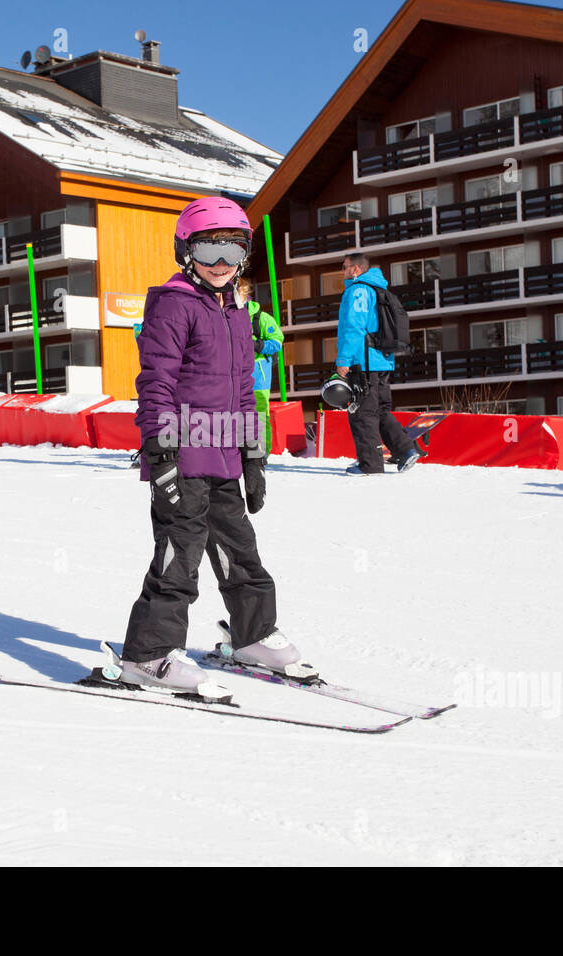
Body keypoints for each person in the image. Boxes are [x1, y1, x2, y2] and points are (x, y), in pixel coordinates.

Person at [121, 197, 314, 697]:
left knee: (239, 548)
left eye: (232, 249)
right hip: (181, 454)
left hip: (225, 452)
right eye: (209, 250)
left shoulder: (237, 312)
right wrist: (160, 453)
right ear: (186, 251)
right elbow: (156, 382)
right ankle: (149, 654)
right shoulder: (173, 302)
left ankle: (251, 636)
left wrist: (254, 453)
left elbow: (245, 390)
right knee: (178, 555)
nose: (221, 263)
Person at [335, 253, 419, 475]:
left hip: (363, 361)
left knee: (362, 412)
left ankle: (370, 465)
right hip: (382, 360)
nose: (341, 271)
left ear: (355, 269)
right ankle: (406, 451)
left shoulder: (357, 290)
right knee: (380, 409)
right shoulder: (379, 288)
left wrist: (344, 360)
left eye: (343, 267)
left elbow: (353, 327)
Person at [236, 277, 285, 453]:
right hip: (233, 373)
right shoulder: (226, 316)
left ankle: (262, 451)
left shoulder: (260, 318)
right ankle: (241, 450)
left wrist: (257, 345)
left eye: (236, 292)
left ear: (244, 293)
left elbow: (277, 341)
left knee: (259, 413)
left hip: (257, 373)